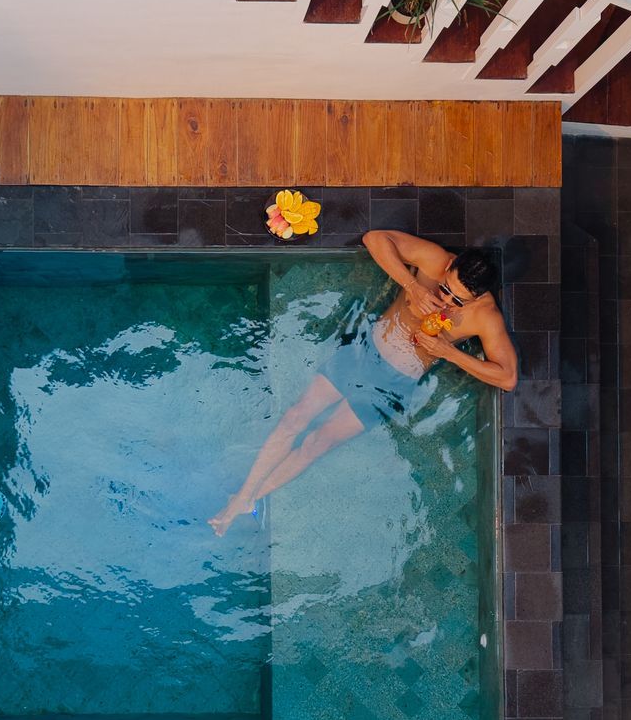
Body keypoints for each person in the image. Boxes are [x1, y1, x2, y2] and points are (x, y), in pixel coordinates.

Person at [208, 230, 518, 536]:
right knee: (294, 417)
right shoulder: (434, 260)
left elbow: (507, 377)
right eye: (445, 288)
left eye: (457, 300)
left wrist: (447, 352)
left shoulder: (485, 316)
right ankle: (243, 495)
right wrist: (412, 286)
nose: (445, 300)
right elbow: (374, 239)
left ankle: (248, 500)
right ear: (450, 267)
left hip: (391, 386)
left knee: (317, 442)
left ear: (476, 298)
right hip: (362, 352)